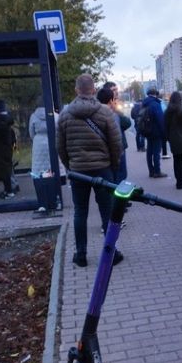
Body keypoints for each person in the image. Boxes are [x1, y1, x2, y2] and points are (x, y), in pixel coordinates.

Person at [57, 74, 123, 268]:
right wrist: (113, 165)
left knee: (80, 212)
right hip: (103, 169)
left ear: (77, 90)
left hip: (78, 171)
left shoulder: (65, 114)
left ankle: (81, 254)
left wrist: (70, 166)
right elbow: (116, 142)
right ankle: (111, 253)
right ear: (93, 89)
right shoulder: (105, 112)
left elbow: (60, 146)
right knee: (107, 212)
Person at [164, 91, 182, 189]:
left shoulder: (167, 112)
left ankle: (178, 181)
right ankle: (180, 182)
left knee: (176, 160)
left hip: (173, 139)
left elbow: (165, 127)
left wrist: (168, 138)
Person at [142, 87, 167, 178]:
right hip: (156, 132)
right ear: (155, 94)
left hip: (147, 131)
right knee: (156, 152)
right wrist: (164, 132)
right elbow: (160, 119)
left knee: (149, 151)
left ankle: (151, 171)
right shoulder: (155, 104)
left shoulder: (144, 103)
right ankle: (157, 171)